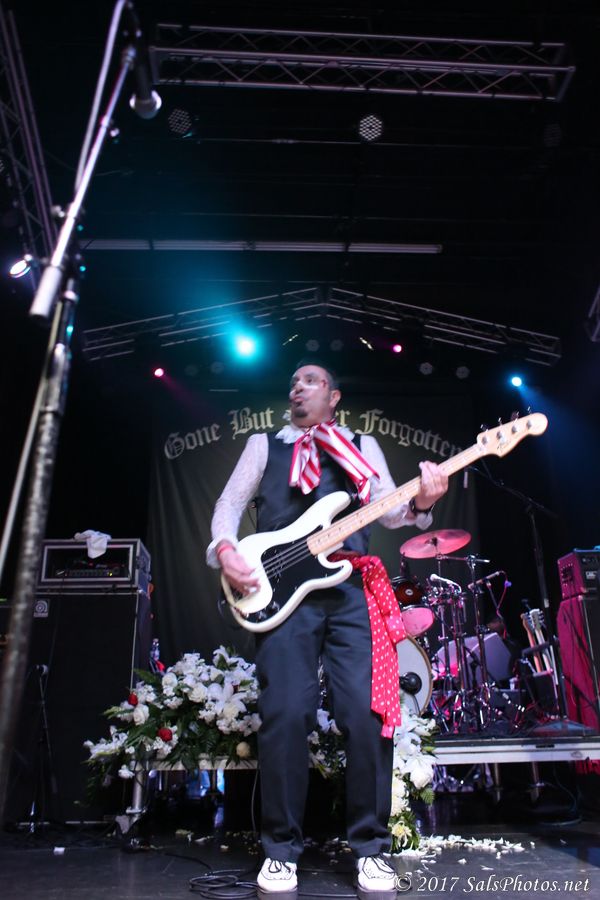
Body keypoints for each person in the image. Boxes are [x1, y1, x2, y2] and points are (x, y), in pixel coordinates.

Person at [207, 361, 448, 895]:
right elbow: (228, 506)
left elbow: (391, 513)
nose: (298, 387)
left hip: (349, 592)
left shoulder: (361, 445)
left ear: (333, 396)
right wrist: (225, 549)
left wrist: (424, 501)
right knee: (286, 713)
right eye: (293, 381)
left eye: (310, 381)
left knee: (365, 715)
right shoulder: (263, 445)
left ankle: (370, 849)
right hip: (281, 595)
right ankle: (280, 852)